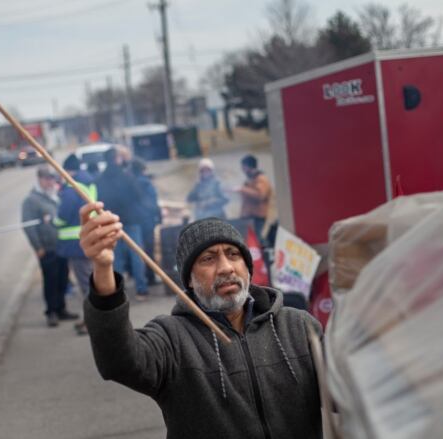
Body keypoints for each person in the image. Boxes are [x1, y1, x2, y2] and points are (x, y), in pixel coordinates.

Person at [79, 211, 324, 439]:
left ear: (248, 268)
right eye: (208, 258)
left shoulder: (298, 326)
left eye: (233, 254)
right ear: (189, 280)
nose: (226, 267)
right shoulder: (171, 339)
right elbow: (118, 360)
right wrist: (103, 269)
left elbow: (345, 392)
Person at [22, 165, 79, 327]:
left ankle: (61, 309)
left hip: (61, 245)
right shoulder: (32, 200)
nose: (50, 182)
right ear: (40, 180)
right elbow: (28, 226)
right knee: (51, 281)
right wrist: (37, 247)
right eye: (47, 179)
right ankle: (51, 312)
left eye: (52, 179)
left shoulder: (55, 195)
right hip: (47, 248)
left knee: (63, 279)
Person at [94, 148, 149, 300]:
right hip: (131, 221)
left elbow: (99, 201)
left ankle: (118, 291)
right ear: (116, 159)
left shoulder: (100, 179)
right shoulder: (126, 176)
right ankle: (141, 290)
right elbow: (138, 195)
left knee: (116, 258)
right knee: (136, 255)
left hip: (111, 223)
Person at [55, 154, 96, 335]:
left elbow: (63, 216)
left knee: (86, 284)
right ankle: (89, 319)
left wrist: (53, 220)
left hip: (77, 243)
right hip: (90, 236)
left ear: (68, 170)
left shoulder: (73, 188)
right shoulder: (88, 182)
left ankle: (91, 322)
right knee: (90, 281)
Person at [129, 158, 162, 286]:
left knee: (136, 251)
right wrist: (158, 216)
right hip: (147, 221)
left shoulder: (129, 183)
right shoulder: (147, 184)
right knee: (149, 250)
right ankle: (151, 277)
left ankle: (139, 278)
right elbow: (153, 203)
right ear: (142, 169)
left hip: (134, 222)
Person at [236, 154, 272, 239]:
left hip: (257, 217)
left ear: (249, 166)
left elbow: (260, 195)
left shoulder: (261, 179)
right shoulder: (250, 179)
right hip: (248, 216)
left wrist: (242, 189)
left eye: (243, 167)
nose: (242, 169)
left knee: (256, 240)